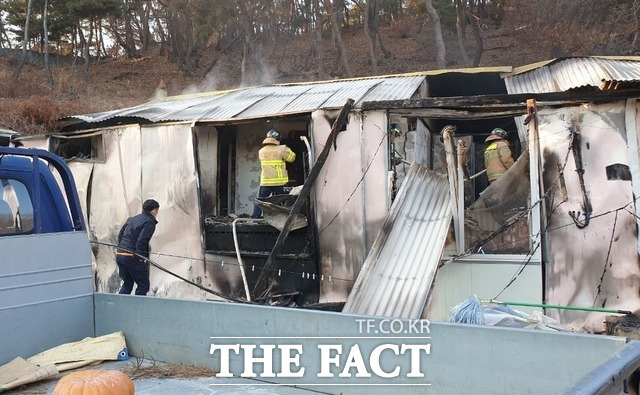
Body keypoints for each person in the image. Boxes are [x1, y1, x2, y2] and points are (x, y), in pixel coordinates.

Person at [116, 199, 159, 295]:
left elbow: (120, 235)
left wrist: (121, 248)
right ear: (153, 210)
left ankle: (119, 308)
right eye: (156, 210)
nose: (157, 213)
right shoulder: (149, 222)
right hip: (132, 256)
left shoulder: (132, 219)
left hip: (120, 254)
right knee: (143, 285)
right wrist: (141, 258)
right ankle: (138, 309)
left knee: (127, 283)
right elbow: (142, 241)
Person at [252, 129, 296, 218]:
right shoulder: (282, 149)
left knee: (261, 201)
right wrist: (286, 148)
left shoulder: (261, 151)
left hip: (266, 182)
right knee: (288, 199)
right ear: (278, 138)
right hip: (279, 182)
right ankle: (286, 218)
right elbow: (292, 158)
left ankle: (254, 218)